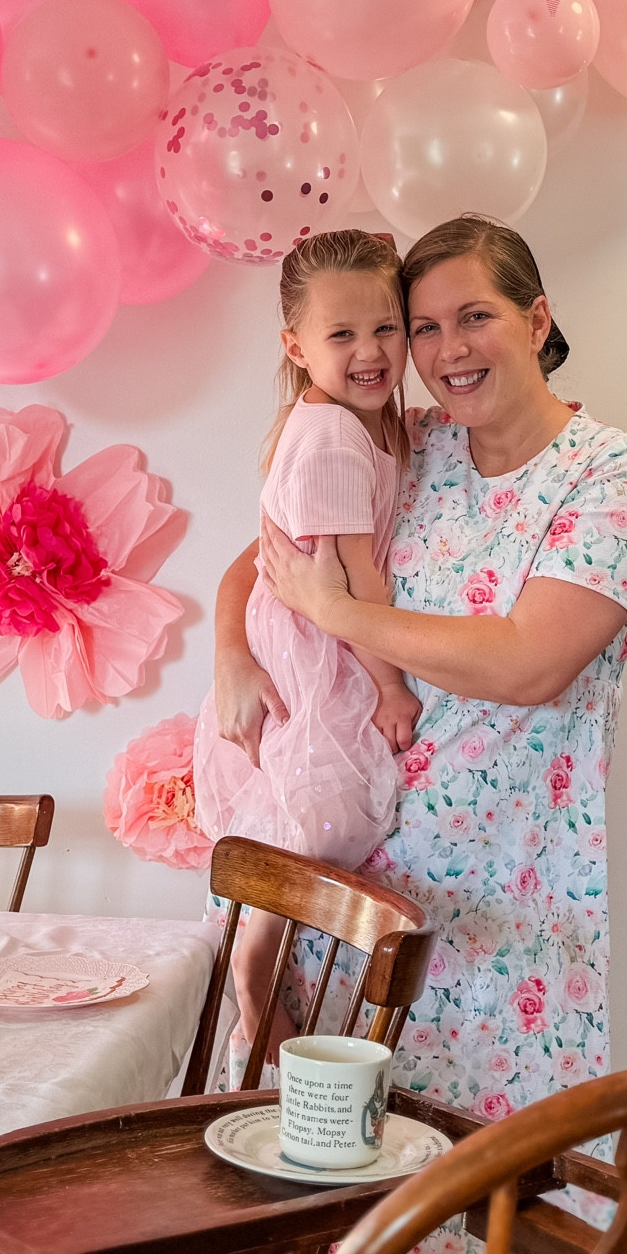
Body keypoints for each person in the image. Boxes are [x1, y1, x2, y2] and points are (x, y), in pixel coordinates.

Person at [212, 214, 627, 1254]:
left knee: (487, 1199)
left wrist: (343, 616)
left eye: (474, 314)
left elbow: (528, 662)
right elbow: (262, 556)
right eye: (423, 325)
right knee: (337, 1208)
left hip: (508, 909)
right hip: (358, 898)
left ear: (537, 317)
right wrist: (228, 655)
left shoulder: (611, 475)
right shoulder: (412, 444)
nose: (444, 347)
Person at [193, 228, 419, 1057]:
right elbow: (356, 586)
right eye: (343, 334)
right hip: (315, 644)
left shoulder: (348, 422)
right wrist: (392, 687)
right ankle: (252, 967)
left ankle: (255, 954)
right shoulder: (329, 439)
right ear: (295, 345)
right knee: (321, 818)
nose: (371, 351)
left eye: (386, 327)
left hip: (307, 633)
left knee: (309, 816)